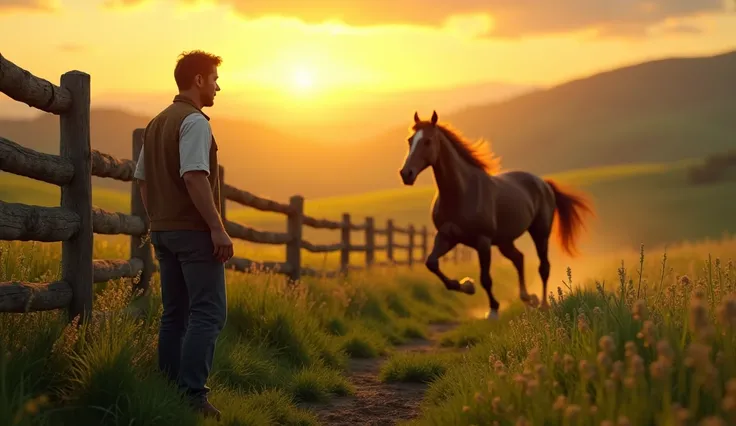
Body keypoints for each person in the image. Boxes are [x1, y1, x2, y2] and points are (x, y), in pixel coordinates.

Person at [133, 50, 233, 420]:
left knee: (174, 314)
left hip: (163, 231)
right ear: (198, 80)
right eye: (214, 79)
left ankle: (168, 389)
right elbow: (194, 176)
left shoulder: (157, 123)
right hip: (192, 234)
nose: (218, 87)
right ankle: (192, 396)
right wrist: (216, 228)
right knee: (208, 313)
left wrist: (157, 218)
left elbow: (142, 180)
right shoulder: (194, 122)